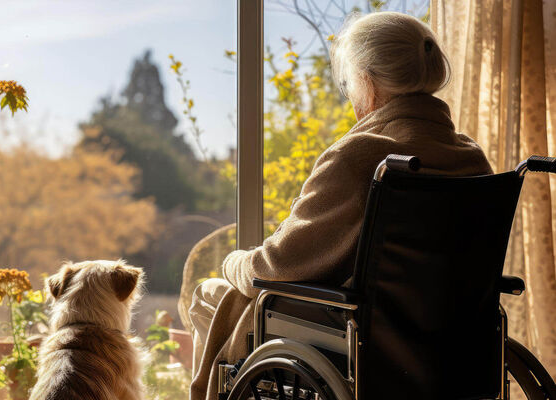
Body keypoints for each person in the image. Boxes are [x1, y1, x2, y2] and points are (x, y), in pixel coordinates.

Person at [186, 11, 493, 400]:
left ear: (366, 80)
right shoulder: (472, 158)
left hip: (361, 341)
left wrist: (235, 262)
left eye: (349, 83)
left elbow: (276, 268)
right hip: (448, 344)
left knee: (210, 295)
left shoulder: (361, 157)